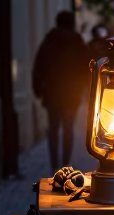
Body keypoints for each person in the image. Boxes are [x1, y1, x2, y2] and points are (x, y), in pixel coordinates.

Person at [32, 11, 88, 173]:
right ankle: (65, 164)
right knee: (68, 128)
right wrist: (84, 86)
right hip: (72, 92)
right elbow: (86, 66)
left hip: (52, 92)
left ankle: (54, 164)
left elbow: (39, 65)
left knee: (53, 128)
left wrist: (37, 88)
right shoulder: (77, 42)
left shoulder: (49, 40)